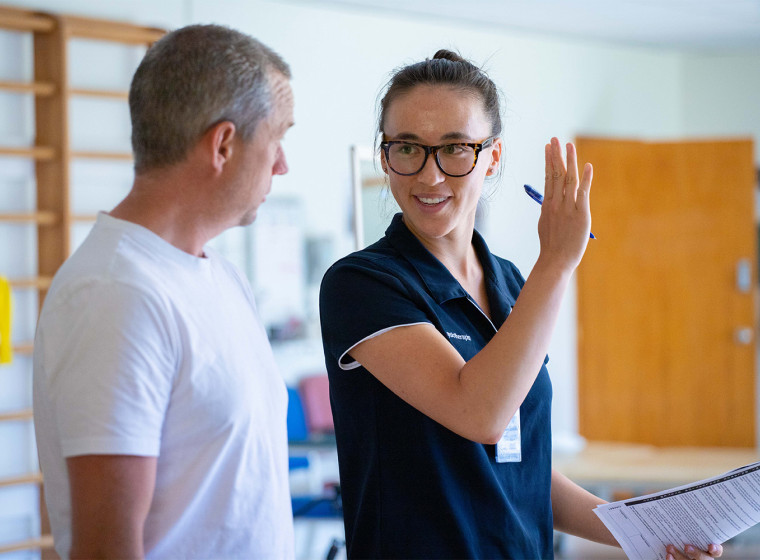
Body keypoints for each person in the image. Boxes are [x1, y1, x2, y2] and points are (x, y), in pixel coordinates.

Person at [319, 50, 723, 560]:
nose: (430, 175)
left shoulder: (510, 283)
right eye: (407, 148)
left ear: (492, 157)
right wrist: (555, 261)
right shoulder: (362, 283)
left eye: (455, 149)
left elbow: (525, 470)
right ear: (385, 156)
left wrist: (650, 535)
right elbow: (480, 413)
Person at [33, 24, 295, 559]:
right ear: (223, 144)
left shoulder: (223, 277)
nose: (282, 164)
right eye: (278, 138)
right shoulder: (116, 294)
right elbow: (106, 550)